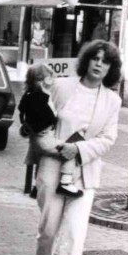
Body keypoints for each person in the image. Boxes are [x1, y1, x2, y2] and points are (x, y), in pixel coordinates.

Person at [31, 40, 122, 255]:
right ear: (86, 61)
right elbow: (41, 118)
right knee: (48, 230)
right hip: (53, 166)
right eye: (95, 58)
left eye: (105, 61)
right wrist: (51, 143)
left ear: (111, 68)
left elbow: (108, 138)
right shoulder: (62, 87)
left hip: (86, 174)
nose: (98, 64)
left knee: (74, 236)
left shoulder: (112, 101)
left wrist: (79, 150)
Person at [19, 63, 84, 199]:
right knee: (71, 150)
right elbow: (47, 117)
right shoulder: (40, 97)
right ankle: (65, 183)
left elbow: (24, 115)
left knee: (40, 158)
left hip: (37, 141)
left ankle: (37, 187)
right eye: (50, 76)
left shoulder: (29, 95)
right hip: (44, 138)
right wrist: (55, 118)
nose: (53, 79)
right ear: (42, 79)